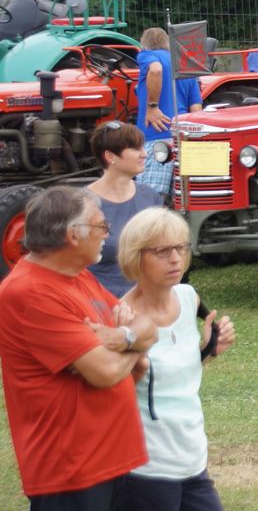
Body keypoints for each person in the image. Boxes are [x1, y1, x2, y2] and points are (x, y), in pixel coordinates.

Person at [0, 185, 157, 509]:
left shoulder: (78, 276)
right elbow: (105, 372)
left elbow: (148, 326)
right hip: (71, 472)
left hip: (111, 458)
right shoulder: (30, 292)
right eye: (101, 225)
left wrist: (123, 338)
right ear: (73, 235)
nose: (107, 233)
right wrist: (136, 349)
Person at [115, 207, 235, 510]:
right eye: (162, 251)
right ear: (135, 256)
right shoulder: (123, 318)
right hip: (146, 468)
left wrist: (208, 350)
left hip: (192, 459)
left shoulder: (188, 297)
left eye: (181, 247)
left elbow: (177, 371)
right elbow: (113, 391)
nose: (175, 259)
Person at [87, 121, 163, 297]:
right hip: (99, 302)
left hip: (147, 300)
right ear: (110, 156)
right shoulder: (82, 204)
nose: (144, 154)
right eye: (136, 149)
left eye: (143, 148)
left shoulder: (150, 197)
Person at [136, 27, 202, 198]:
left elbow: (156, 70)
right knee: (183, 200)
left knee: (149, 200)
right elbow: (196, 108)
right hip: (183, 140)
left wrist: (152, 107)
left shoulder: (147, 56)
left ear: (144, 45)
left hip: (156, 138)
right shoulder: (183, 66)